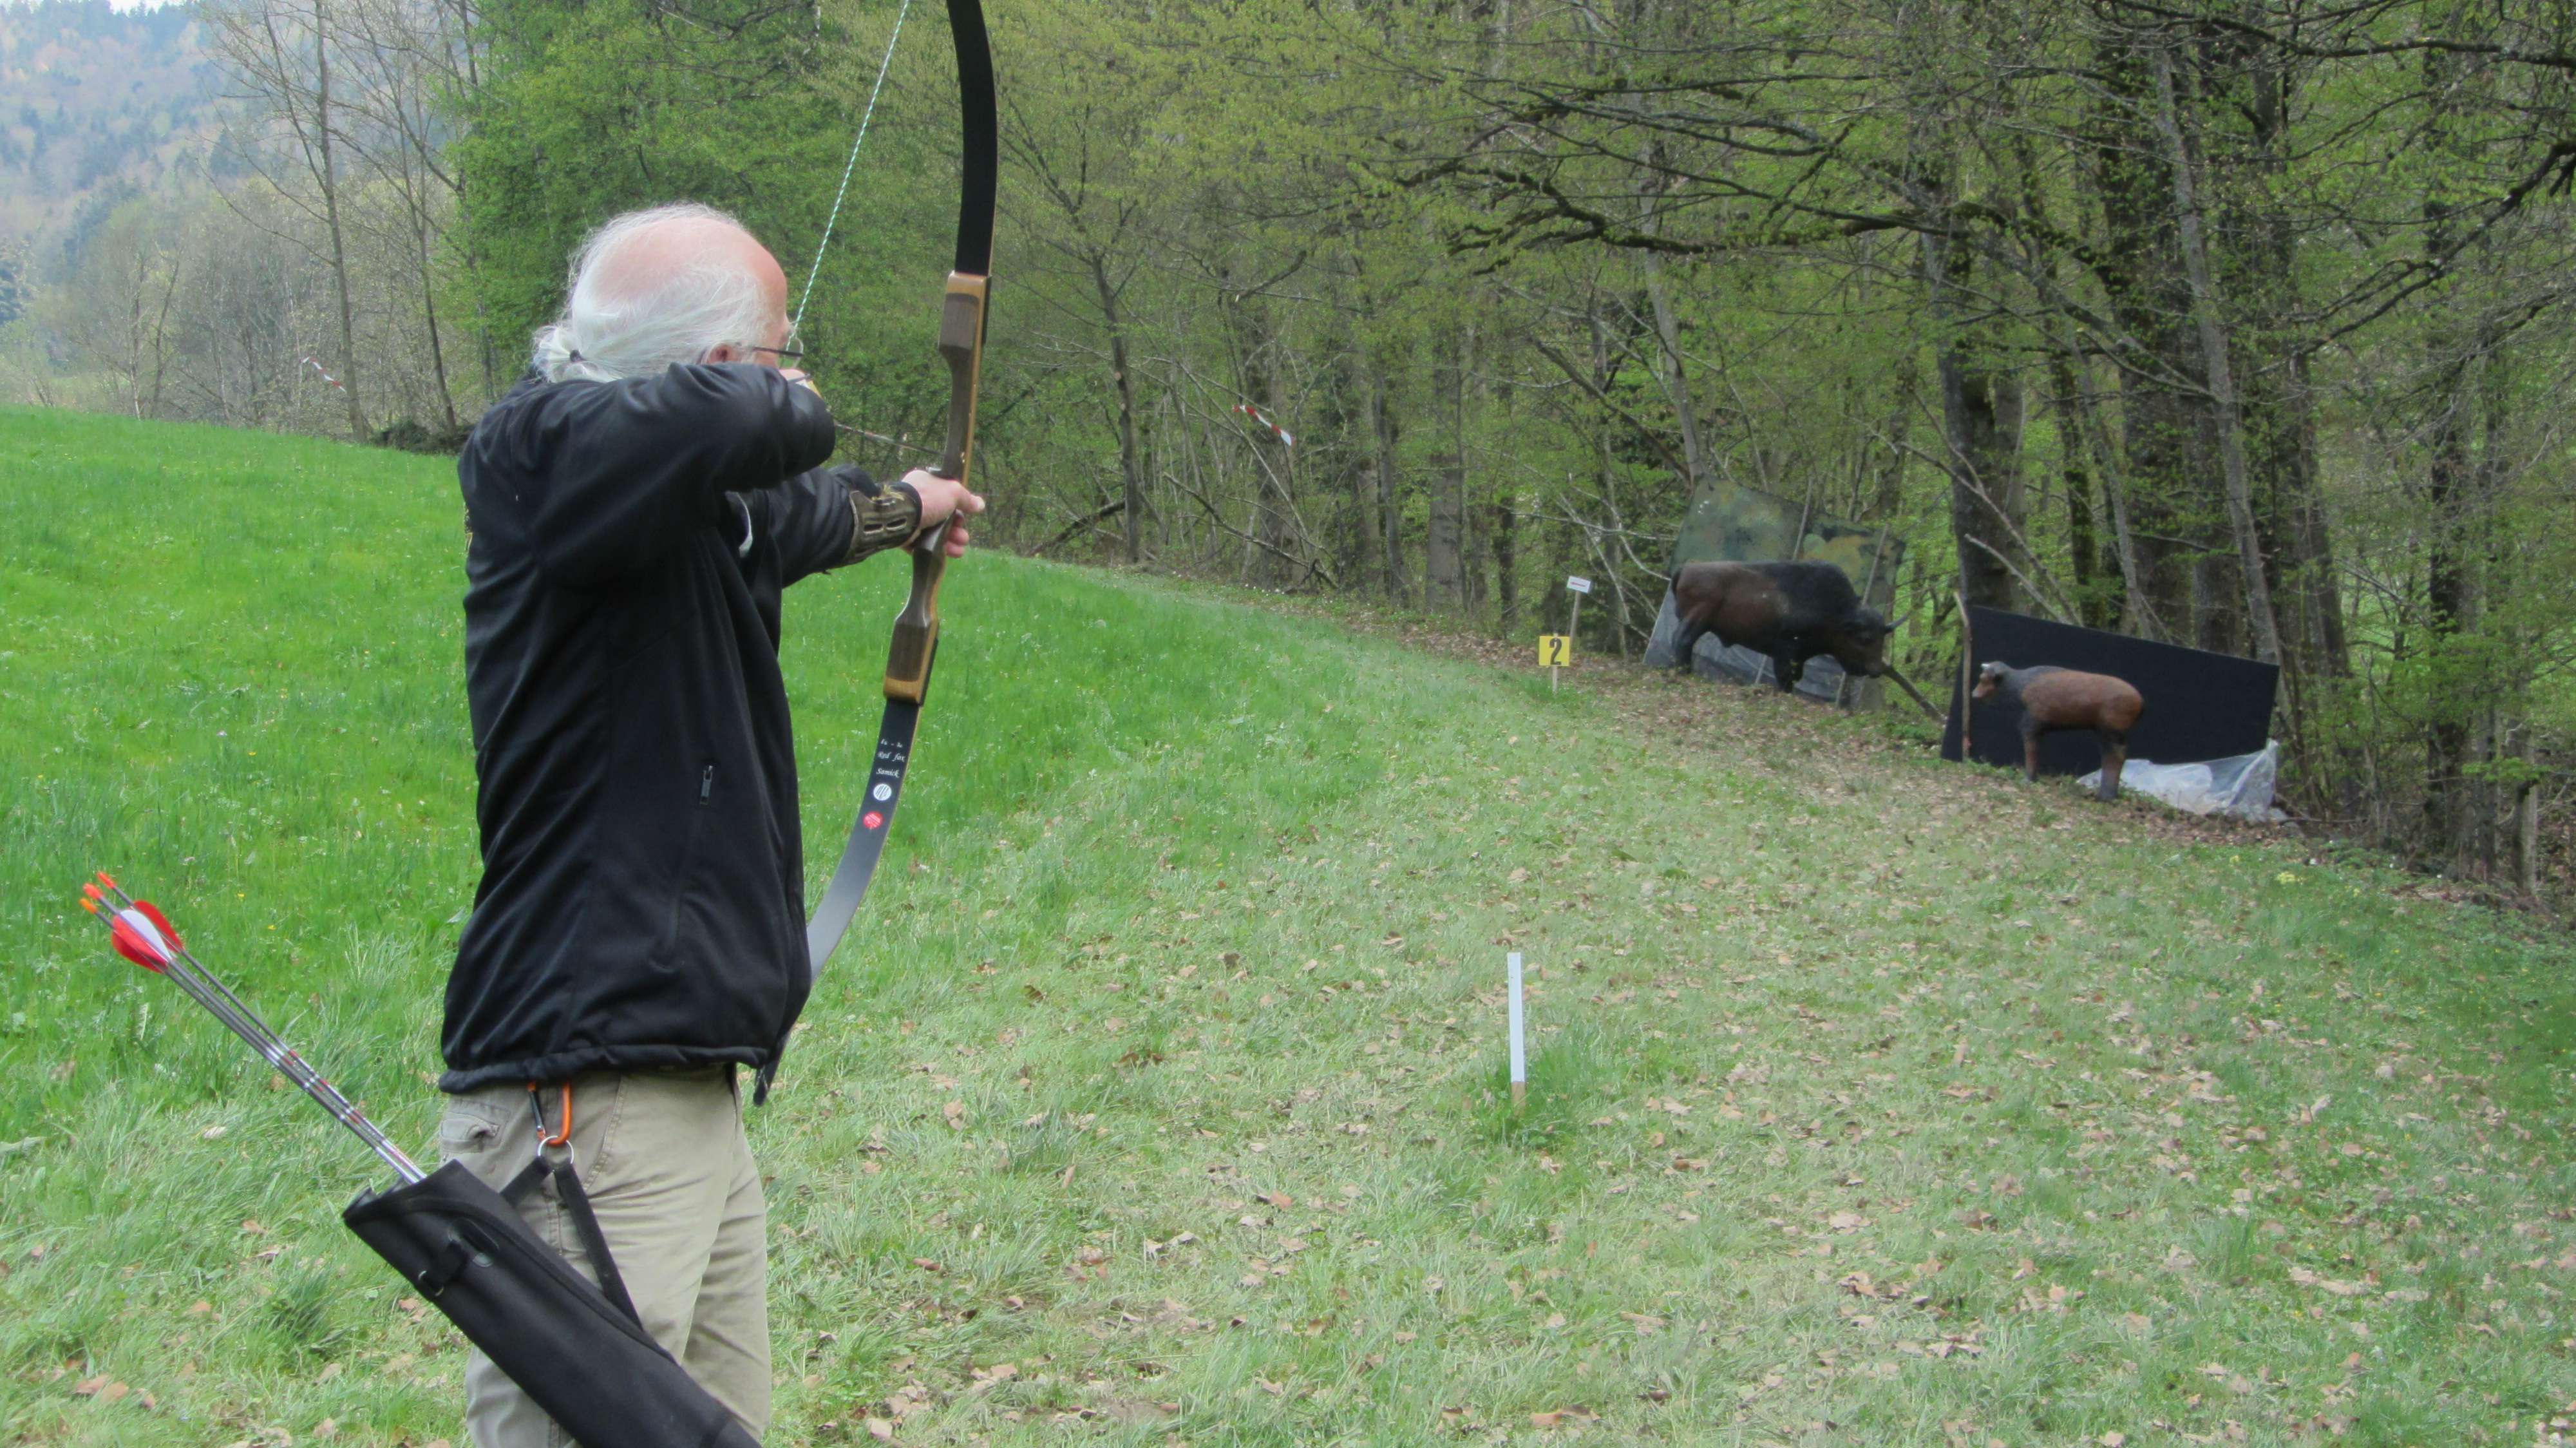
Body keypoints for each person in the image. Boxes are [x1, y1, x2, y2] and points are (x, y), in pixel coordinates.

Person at [433, 201, 983, 1447]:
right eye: (782, 345)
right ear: (721, 368)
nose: (797, 370)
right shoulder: (543, 452)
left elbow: (792, 515)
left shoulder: (665, 503)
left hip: (674, 1088)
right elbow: (758, 422)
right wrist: (772, 388)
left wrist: (911, 506)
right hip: (582, 1092)